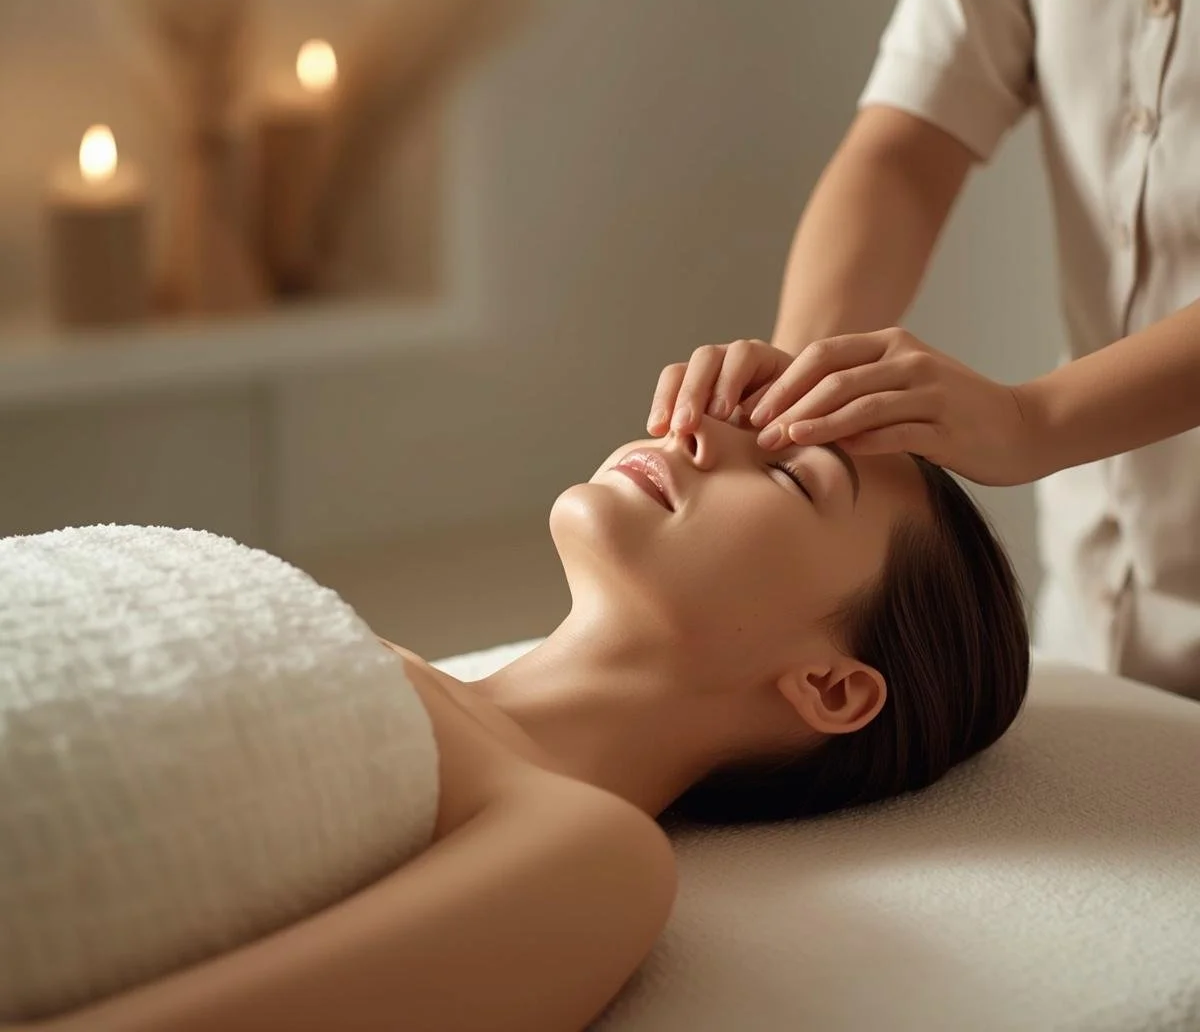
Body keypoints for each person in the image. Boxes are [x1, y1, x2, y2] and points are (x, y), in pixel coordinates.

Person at [10, 416, 1028, 1031]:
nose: (698, 432)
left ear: (834, 689)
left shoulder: (594, 853)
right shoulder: (371, 661)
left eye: (790, 475)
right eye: (745, 416)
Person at [650, 0, 1200, 702]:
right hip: (1096, 591)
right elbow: (909, 146)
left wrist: (1034, 422)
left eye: (797, 481)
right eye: (788, 478)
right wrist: (801, 384)